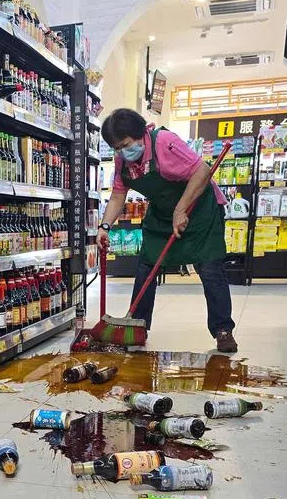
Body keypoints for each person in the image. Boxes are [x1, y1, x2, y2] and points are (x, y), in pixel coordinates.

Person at [97, 109, 237, 353]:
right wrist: (104, 226)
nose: (122, 153)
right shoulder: (124, 160)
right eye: (117, 149)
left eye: (126, 145)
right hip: (162, 214)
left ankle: (223, 330)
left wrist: (181, 209)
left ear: (141, 134)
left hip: (199, 210)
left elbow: (202, 172)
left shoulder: (164, 143)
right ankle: (137, 326)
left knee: (209, 268)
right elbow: (119, 196)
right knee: (146, 265)